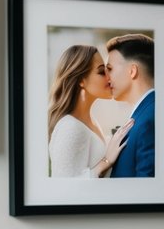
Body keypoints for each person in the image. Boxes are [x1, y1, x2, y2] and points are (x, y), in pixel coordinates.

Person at [47, 45, 134, 178]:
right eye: (101, 72)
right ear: (81, 80)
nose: (109, 77)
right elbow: (64, 190)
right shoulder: (70, 127)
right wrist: (106, 161)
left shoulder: (91, 120)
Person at [105, 34, 155, 177]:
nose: (106, 77)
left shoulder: (149, 120)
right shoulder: (145, 113)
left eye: (110, 69)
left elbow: (147, 191)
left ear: (132, 71)